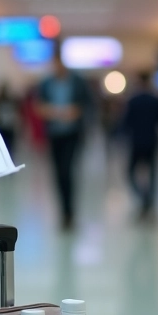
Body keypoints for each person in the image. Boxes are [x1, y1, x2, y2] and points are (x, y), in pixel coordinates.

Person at [36, 50, 92, 229]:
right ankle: (63, 211)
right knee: (58, 173)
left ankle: (69, 212)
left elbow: (86, 105)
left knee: (67, 171)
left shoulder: (77, 82)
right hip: (54, 134)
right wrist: (51, 112)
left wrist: (75, 112)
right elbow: (39, 107)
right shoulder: (46, 84)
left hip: (72, 134)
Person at [118, 71, 158, 219]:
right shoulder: (156, 101)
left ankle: (144, 198)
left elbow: (124, 123)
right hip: (152, 142)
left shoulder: (133, 101)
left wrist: (117, 138)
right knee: (152, 174)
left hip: (136, 142)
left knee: (131, 173)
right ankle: (149, 201)